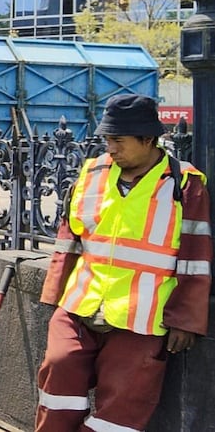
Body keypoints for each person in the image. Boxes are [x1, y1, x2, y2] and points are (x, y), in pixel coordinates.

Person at [36, 94, 212, 432]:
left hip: (141, 315)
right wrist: (53, 293)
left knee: (122, 406)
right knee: (58, 379)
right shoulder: (93, 172)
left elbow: (195, 256)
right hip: (81, 303)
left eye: (118, 140)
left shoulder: (184, 185)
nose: (111, 148)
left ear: (148, 140)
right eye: (107, 139)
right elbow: (68, 237)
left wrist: (186, 319)